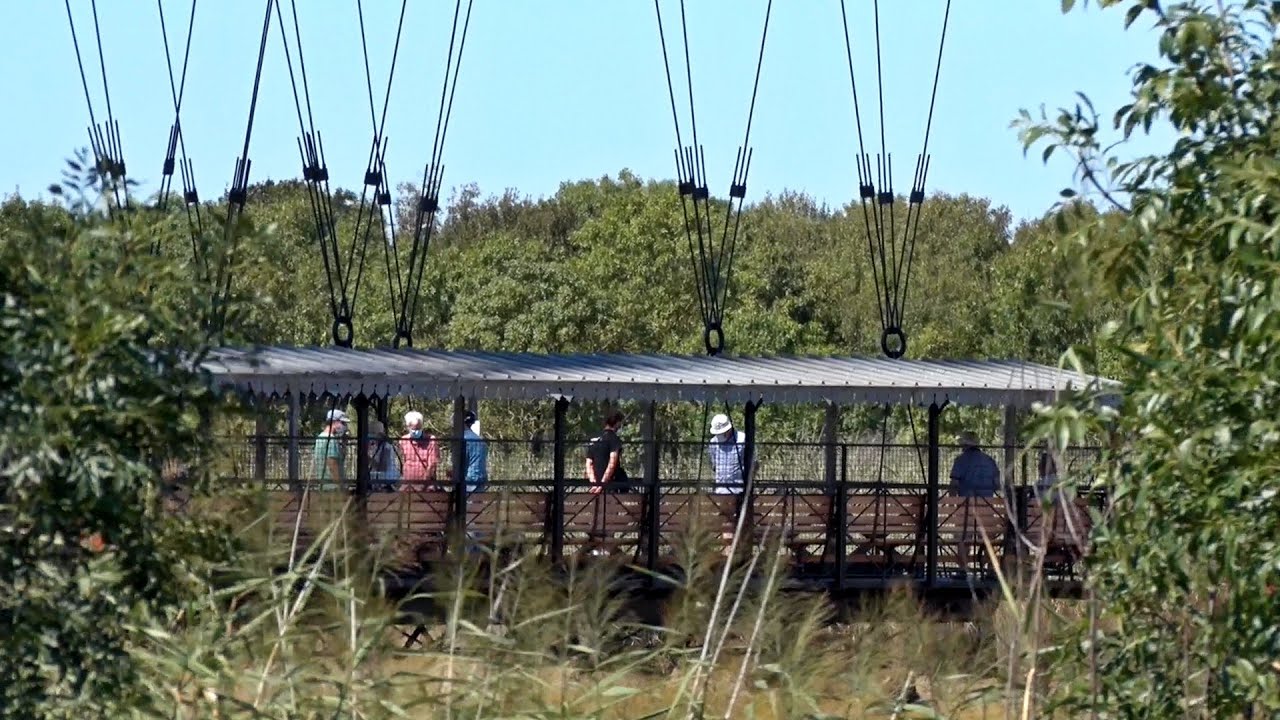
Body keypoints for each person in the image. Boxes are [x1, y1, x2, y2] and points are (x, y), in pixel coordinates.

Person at [585, 411, 628, 493]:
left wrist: (594, 482)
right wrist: (603, 483)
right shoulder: (614, 439)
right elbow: (612, 462)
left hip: (595, 482)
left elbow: (589, 463)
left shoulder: (594, 438)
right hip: (610, 484)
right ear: (617, 423)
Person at [949, 431, 1000, 498]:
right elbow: (997, 484)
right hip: (987, 505)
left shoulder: (960, 460)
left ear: (964, 445)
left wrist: (952, 504)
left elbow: (954, 484)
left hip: (966, 504)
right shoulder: (990, 460)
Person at [707, 413, 747, 494]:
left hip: (739, 490)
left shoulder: (742, 439)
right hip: (720, 491)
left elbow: (753, 464)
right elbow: (714, 465)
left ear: (728, 430)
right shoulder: (713, 442)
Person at [399, 410, 439, 490]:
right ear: (408, 427)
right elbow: (403, 460)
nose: (416, 431)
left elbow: (432, 464)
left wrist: (423, 483)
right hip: (408, 483)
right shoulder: (403, 440)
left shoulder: (431, 440)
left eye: (418, 428)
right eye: (413, 429)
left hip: (426, 485)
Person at [312, 409, 348, 490]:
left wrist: (344, 445)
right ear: (334, 422)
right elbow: (332, 463)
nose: (344, 426)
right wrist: (339, 485)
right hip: (333, 487)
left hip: (323, 484)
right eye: (342, 423)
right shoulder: (331, 439)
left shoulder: (320, 438)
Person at [366, 419, 401, 491]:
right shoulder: (376, 445)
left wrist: (369, 459)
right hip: (378, 476)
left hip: (386, 478)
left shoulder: (386, 447)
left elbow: (383, 465)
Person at [463, 411, 489, 493]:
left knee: (467, 505)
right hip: (481, 478)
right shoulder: (481, 441)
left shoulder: (463, 439)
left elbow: (462, 460)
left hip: (469, 480)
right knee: (479, 504)